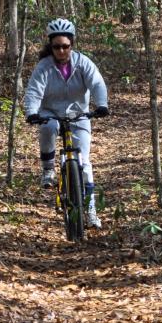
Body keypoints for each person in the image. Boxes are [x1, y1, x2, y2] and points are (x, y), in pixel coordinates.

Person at [24, 18, 110, 229]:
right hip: (50, 112)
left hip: (78, 114)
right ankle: (47, 170)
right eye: (56, 47)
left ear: (72, 44)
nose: (61, 51)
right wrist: (32, 112)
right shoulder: (44, 67)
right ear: (50, 46)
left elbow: (97, 83)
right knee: (48, 127)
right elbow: (34, 91)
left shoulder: (83, 63)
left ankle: (90, 209)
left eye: (65, 46)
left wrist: (101, 105)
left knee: (85, 162)